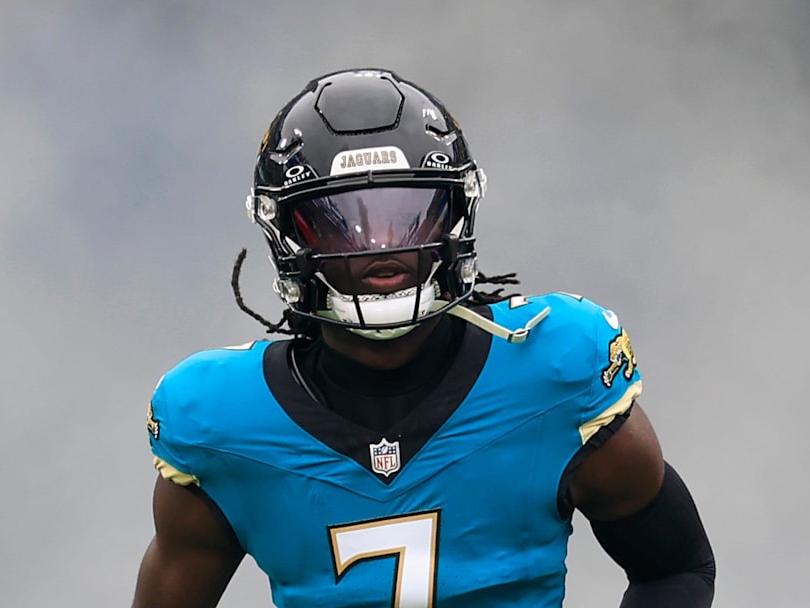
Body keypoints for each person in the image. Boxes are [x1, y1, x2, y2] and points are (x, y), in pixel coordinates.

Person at [131, 68, 715, 608]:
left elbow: (674, 569)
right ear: (286, 233)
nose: (380, 247)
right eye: (339, 221)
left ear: (457, 212)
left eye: (409, 214)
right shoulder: (218, 420)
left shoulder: (555, 367)